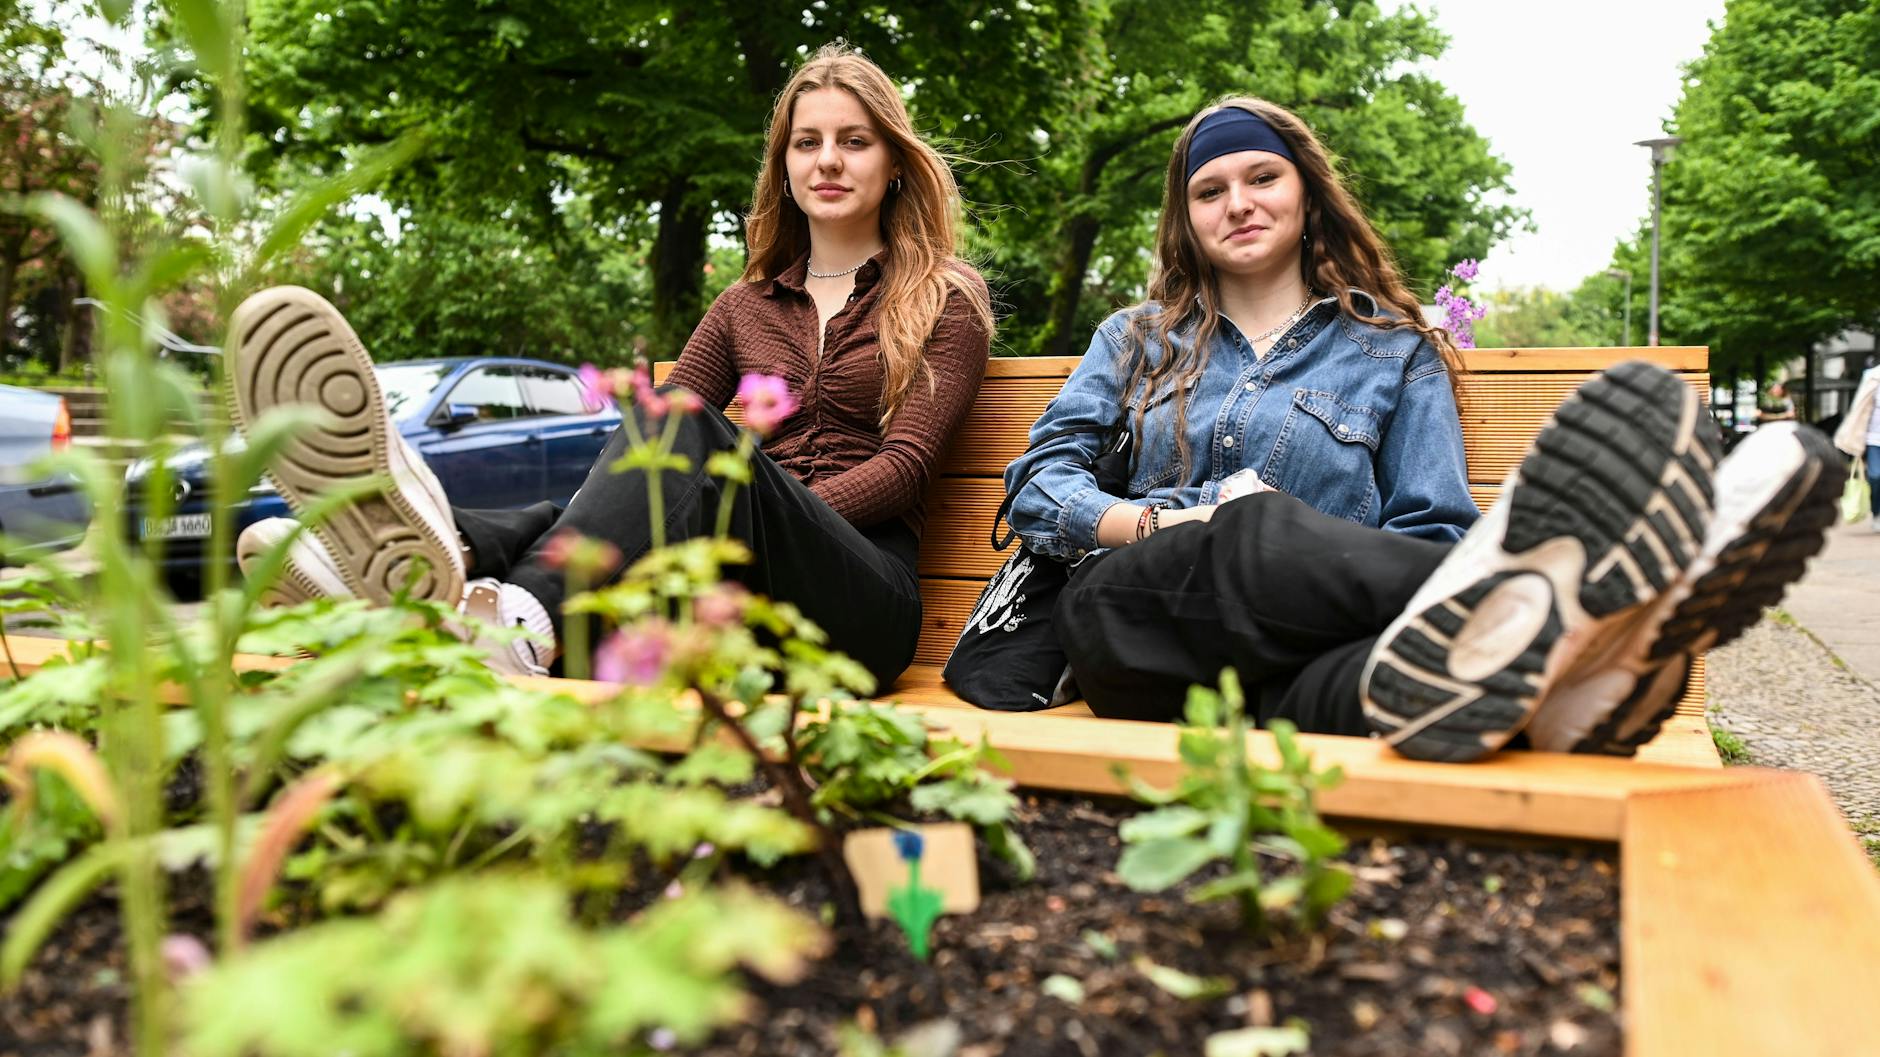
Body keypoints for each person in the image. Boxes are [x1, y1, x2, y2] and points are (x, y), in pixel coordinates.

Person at [993, 97, 1840, 761]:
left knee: (1385, 685)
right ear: (1187, 218)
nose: (1239, 203)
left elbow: (1430, 526)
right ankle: (1602, 596)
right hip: (1137, 627)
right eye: (1210, 191)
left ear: (1305, 194)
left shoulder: (1395, 353)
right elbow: (1038, 483)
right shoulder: (1136, 338)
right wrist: (1159, 521)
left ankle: (1561, 686)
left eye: (1262, 178)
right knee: (1248, 528)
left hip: (1304, 661)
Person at [229, 43, 993, 690]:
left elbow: (906, 468)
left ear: (894, 159)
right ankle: (427, 574)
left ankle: (504, 601)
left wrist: (748, 514)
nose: (827, 159)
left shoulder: (943, 297)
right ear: (783, 164)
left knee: (688, 431)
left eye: (853, 141)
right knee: (660, 426)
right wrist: (694, 523)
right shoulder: (744, 305)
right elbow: (648, 447)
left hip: (861, 605)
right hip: (730, 600)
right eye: (807, 142)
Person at [1833, 357, 1880, 532]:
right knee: (1875, 476)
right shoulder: (1873, 376)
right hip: (1874, 438)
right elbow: (1859, 408)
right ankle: (1876, 513)